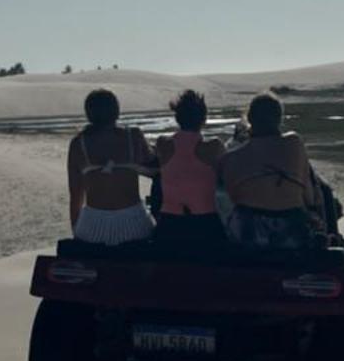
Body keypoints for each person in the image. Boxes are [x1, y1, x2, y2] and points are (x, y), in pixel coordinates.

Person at [219, 93, 326, 251]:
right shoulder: (294, 144)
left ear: (249, 118)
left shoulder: (231, 158)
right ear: (279, 118)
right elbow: (309, 198)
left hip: (249, 235)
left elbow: (233, 198)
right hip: (293, 232)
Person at [66, 88, 156, 246]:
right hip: (134, 225)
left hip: (92, 227)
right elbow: (154, 167)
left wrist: (76, 230)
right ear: (116, 110)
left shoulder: (78, 144)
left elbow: (76, 196)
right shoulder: (133, 136)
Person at [150, 89, 226, 256]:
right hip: (205, 225)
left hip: (169, 226)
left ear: (177, 117)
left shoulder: (163, 144)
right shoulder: (213, 147)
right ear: (204, 119)